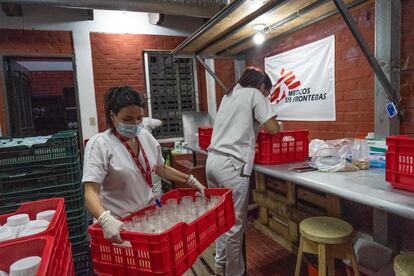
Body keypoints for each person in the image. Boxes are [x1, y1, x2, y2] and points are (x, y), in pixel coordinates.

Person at [82, 86, 205, 243]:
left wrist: (190, 180)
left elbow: (160, 168)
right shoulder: (100, 144)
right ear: (113, 116)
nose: (135, 124)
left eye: (139, 118)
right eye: (127, 119)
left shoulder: (145, 136)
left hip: (146, 220)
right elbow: (90, 192)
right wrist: (105, 220)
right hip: (119, 228)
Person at [206, 67, 282, 276]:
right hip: (232, 166)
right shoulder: (255, 94)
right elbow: (273, 128)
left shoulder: (229, 95)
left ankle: (220, 265)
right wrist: (279, 125)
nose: (266, 96)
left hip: (212, 162)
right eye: (267, 92)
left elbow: (241, 126)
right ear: (262, 86)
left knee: (221, 219)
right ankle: (235, 273)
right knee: (234, 224)